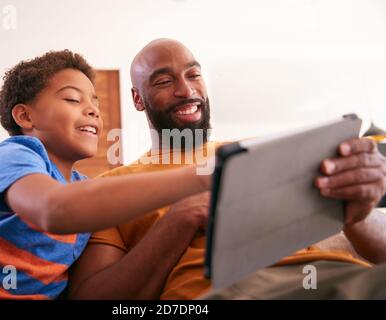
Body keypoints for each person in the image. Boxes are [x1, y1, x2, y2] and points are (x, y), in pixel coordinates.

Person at [68, 39, 386, 300]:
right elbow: (91, 296)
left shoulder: (268, 150)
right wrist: (180, 218)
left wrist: (357, 211)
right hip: (229, 290)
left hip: (340, 277)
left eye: (193, 75)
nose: (185, 89)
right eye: (165, 81)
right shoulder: (111, 187)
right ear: (138, 99)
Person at [0, 50, 211, 300]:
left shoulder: (85, 189)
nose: (92, 110)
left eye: (95, 103)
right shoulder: (17, 154)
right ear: (25, 117)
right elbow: (55, 208)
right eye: (72, 99)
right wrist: (199, 178)